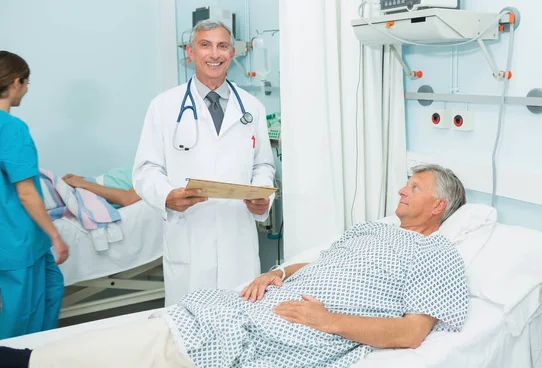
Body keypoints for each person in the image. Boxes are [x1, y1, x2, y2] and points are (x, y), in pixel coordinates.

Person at [0, 164, 469, 368]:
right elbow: (323, 260)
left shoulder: (436, 254)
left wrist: (328, 321)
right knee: (165, 329)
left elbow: (411, 333)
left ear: (438, 207)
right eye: (406, 182)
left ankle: (31, 361)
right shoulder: (373, 229)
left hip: (300, 329)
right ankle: (35, 359)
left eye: (415, 187)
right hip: (270, 302)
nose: (403, 190)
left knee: (164, 344)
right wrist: (281, 272)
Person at [132, 20, 275, 305]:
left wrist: (262, 196)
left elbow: (263, 166)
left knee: (240, 322)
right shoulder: (164, 106)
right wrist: (166, 196)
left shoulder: (252, 107)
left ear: (232, 53)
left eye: (222, 46)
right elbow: (147, 169)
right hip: (190, 234)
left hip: (238, 238)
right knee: (189, 328)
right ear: (190, 52)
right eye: (205, 45)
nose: (214, 54)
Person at [0, 51, 69, 340]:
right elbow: (26, 191)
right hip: (19, 243)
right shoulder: (12, 128)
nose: (26, 90)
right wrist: (55, 235)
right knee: (20, 325)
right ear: (17, 82)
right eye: (26, 83)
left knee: (52, 288)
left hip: (25, 243)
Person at [61, 167, 141, 209]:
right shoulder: (146, 164)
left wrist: (84, 183)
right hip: (90, 184)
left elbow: (128, 199)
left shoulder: (152, 175)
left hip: (90, 192)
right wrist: (82, 180)